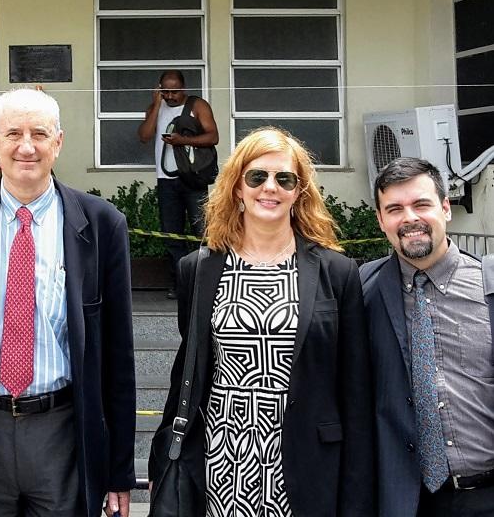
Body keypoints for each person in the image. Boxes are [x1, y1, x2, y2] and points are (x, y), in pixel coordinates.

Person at [0, 88, 136, 517]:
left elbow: (118, 356)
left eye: (39, 133)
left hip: (63, 435)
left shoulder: (101, 224)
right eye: (13, 133)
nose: (26, 146)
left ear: (57, 143)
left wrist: (118, 472)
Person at [149, 127, 374, 517]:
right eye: (257, 176)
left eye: (283, 178)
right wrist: (165, 457)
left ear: (298, 191)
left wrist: (357, 495)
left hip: (308, 465)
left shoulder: (337, 273)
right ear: (237, 186)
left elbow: (355, 394)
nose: (270, 187)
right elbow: (190, 369)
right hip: (221, 462)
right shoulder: (198, 270)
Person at [360, 157, 494, 517]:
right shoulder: (362, 292)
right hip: (407, 500)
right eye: (395, 209)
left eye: (421, 204)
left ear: (446, 207)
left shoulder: (488, 286)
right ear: (380, 220)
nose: (409, 218)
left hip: (485, 493)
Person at [137, 69, 218, 299]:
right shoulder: (156, 106)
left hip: (193, 178)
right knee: (170, 234)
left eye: (175, 90)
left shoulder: (197, 105)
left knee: (202, 231)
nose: (171, 95)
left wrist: (183, 141)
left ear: (184, 88)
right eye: (166, 91)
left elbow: (213, 136)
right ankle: (179, 282)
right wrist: (155, 106)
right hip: (166, 180)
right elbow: (144, 135)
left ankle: (206, 281)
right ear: (159, 89)